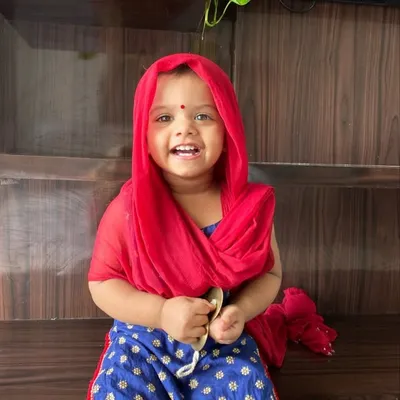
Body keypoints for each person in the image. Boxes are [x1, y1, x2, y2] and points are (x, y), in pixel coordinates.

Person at [86, 53, 336, 400]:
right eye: (164, 117)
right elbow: (102, 283)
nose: (185, 128)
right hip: (143, 339)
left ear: (228, 125)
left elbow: (270, 274)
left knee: (248, 386)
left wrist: (240, 312)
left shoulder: (248, 208)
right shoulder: (129, 209)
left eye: (203, 115)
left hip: (219, 342)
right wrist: (161, 313)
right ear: (143, 131)